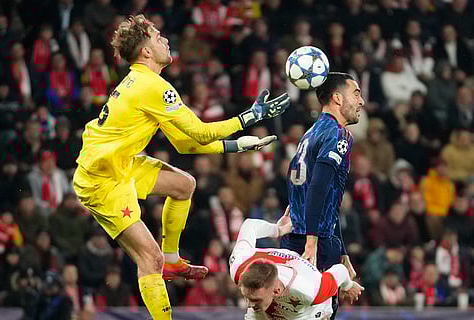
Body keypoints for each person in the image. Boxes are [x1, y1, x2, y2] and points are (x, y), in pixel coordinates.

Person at [72, 14, 290, 320]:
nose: (166, 41)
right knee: (150, 259)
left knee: (184, 184)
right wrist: (248, 118)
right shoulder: (151, 86)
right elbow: (200, 132)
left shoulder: (144, 83)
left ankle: (173, 259)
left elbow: (185, 144)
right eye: (158, 37)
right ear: (146, 52)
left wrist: (240, 144)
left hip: (118, 163)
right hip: (102, 179)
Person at [280, 72, 364, 319]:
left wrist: (344, 254)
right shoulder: (338, 135)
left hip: (296, 235)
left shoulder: (311, 133)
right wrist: (313, 240)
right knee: (320, 314)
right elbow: (318, 187)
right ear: (337, 98)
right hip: (315, 242)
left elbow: (324, 199)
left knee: (289, 314)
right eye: (356, 94)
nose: (361, 101)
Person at [229, 207, 364, 319]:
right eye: (247, 297)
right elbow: (249, 225)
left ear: (276, 290)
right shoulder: (240, 265)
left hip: (308, 314)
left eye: (255, 300)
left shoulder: (309, 291)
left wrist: (349, 285)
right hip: (267, 311)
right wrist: (277, 230)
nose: (249, 304)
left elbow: (340, 270)